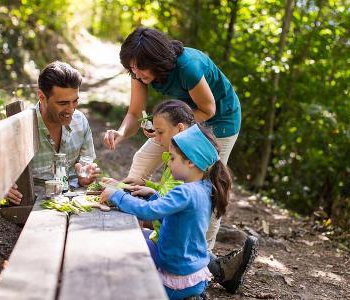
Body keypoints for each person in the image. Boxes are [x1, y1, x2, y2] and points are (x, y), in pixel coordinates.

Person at [102, 27, 242, 253]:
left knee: (208, 187)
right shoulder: (138, 70)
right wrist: (120, 133)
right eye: (131, 68)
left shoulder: (187, 66)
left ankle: (203, 259)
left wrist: (170, 130)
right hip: (180, 120)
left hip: (221, 120)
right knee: (143, 157)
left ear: (156, 60)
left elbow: (208, 109)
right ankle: (133, 224)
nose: (136, 74)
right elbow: (135, 113)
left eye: (140, 67)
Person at [122, 100, 257, 295]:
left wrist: (117, 195)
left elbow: (153, 209)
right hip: (186, 259)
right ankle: (217, 273)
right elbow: (165, 194)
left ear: (180, 129)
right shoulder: (200, 181)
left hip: (173, 261)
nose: (156, 138)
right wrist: (150, 189)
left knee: (133, 255)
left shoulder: (185, 183)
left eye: (160, 132)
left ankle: (208, 278)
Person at [101, 124, 231, 299]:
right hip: (196, 273)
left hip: (177, 277)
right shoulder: (206, 188)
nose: (168, 163)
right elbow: (175, 210)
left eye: (172, 158)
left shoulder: (184, 192)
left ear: (191, 162)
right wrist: (154, 195)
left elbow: (148, 212)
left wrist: (117, 195)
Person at [6, 61, 100, 204]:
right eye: (63, 103)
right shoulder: (22, 127)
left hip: (73, 200)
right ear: (42, 97)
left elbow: (86, 164)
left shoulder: (80, 122)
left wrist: (85, 177)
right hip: (34, 205)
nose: (71, 110)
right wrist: (4, 187)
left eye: (75, 101)